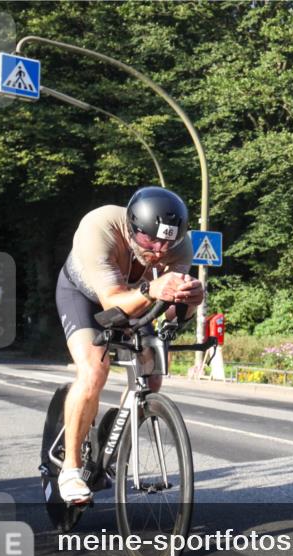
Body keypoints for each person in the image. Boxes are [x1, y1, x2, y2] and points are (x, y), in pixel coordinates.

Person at [54, 186, 204, 503]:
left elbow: (170, 309)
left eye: (168, 243)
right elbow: (112, 303)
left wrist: (190, 302)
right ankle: (70, 469)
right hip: (84, 297)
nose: (159, 251)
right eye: (150, 242)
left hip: (136, 300)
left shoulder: (180, 246)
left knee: (152, 378)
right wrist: (152, 289)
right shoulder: (100, 227)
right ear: (133, 227)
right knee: (94, 370)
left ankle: (113, 443)